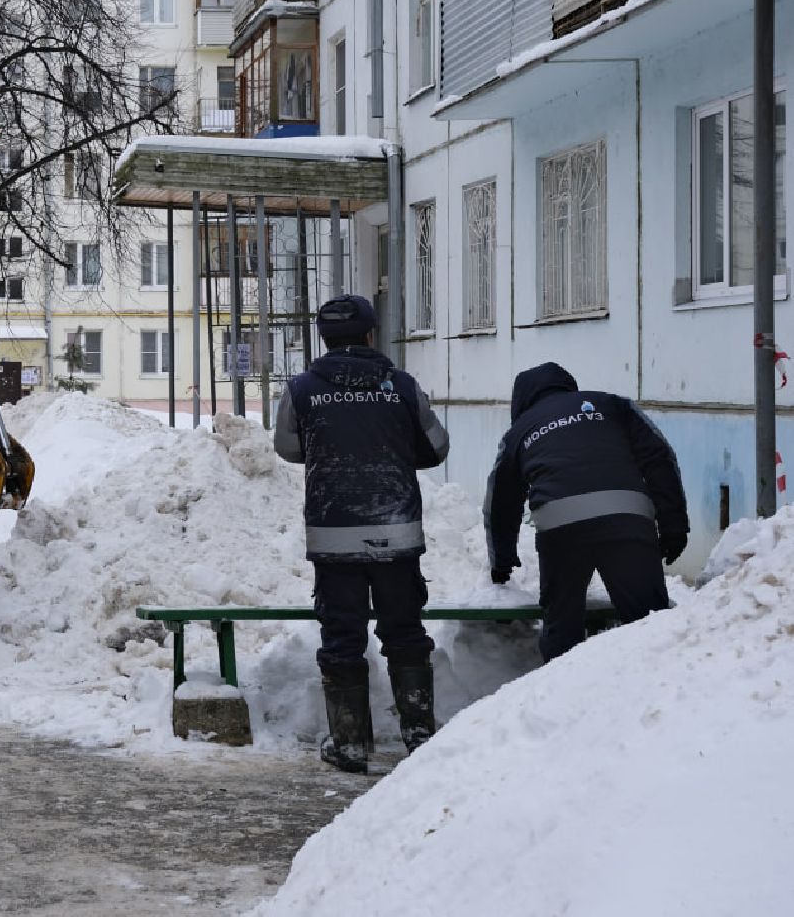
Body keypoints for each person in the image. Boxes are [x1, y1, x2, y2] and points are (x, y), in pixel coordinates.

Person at [274, 294, 449, 774]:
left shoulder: (302, 388)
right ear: (371, 335)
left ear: (323, 337)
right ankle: (418, 733)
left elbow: (287, 448)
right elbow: (436, 447)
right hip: (396, 530)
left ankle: (349, 743)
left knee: (342, 635)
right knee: (405, 631)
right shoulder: (402, 386)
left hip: (334, 536)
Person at [485, 362, 687, 663]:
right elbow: (660, 458)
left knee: (562, 626)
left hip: (561, 530)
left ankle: (560, 697)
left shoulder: (518, 433)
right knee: (650, 624)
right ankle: (659, 691)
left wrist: (501, 559)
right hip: (627, 522)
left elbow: (500, 501)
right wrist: (674, 524)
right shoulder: (613, 405)